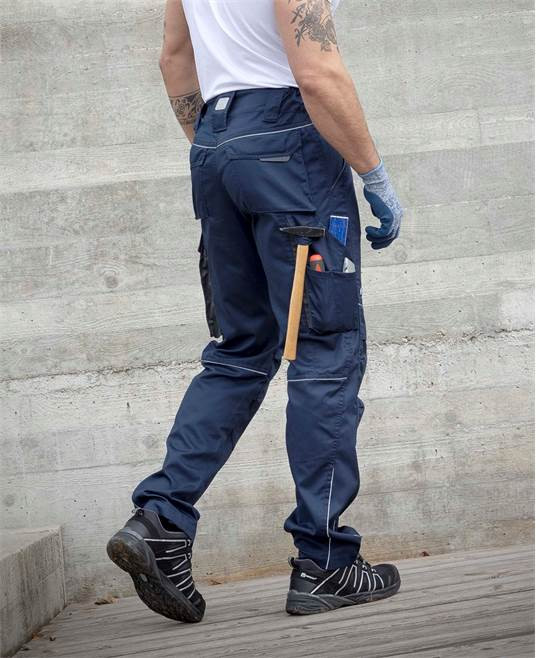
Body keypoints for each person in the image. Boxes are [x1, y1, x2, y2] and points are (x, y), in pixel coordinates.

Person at [107, 0, 404, 623]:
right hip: (290, 143)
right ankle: (324, 562)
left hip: (215, 143)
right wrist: (373, 173)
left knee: (240, 350)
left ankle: (161, 520)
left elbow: (175, 58)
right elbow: (316, 71)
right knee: (326, 350)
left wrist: (227, 149)